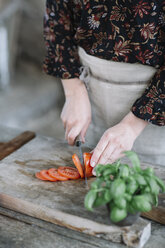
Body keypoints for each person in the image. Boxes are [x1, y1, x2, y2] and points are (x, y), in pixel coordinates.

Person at [43, 0, 165, 167]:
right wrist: (73, 89)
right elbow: (57, 14)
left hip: (156, 105)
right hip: (90, 89)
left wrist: (132, 125)